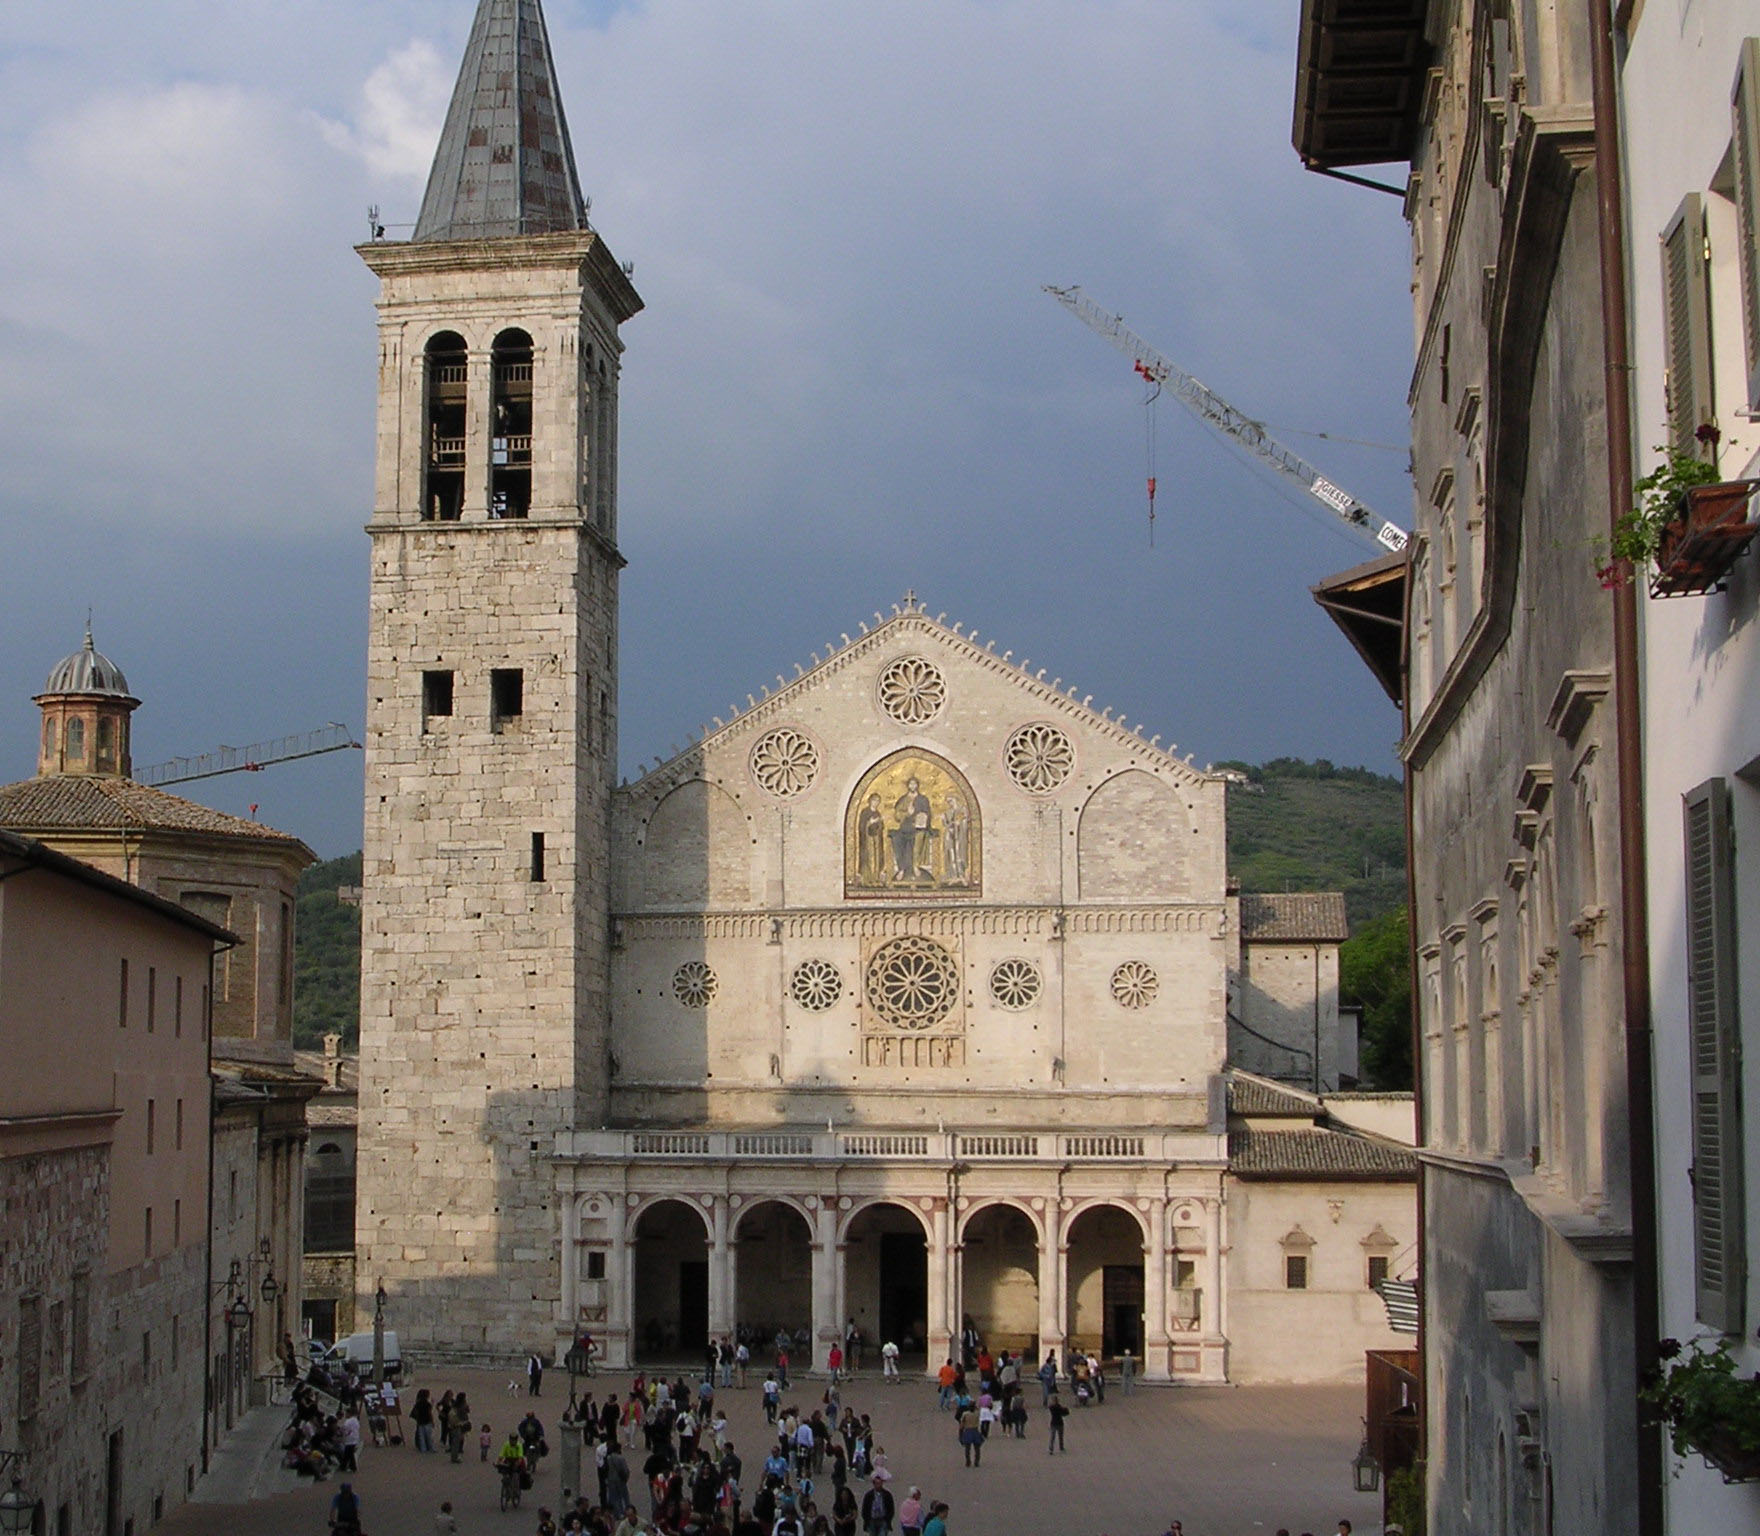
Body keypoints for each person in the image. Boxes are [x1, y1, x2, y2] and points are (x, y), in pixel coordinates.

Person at [957, 1402, 982, 1467]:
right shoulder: (977, 1414)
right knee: (977, 1448)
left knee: (967, 1448)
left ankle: (968, 1461)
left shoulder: (965, 1414)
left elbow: (962, 1425)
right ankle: (976, 1461)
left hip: (968, 1431)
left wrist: (960, 1434)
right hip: (975, 1430)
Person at [411, 1387, 436, 1452]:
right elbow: (429, 1413)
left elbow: (416, 1412)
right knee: (429, 1436)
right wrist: (432, 1421)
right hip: (427, 1421)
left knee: (421, 1436)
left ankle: (423, 1448)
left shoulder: (418, 1403)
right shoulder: (427, 1404)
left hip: (420, 1421)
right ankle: (431, 1448)